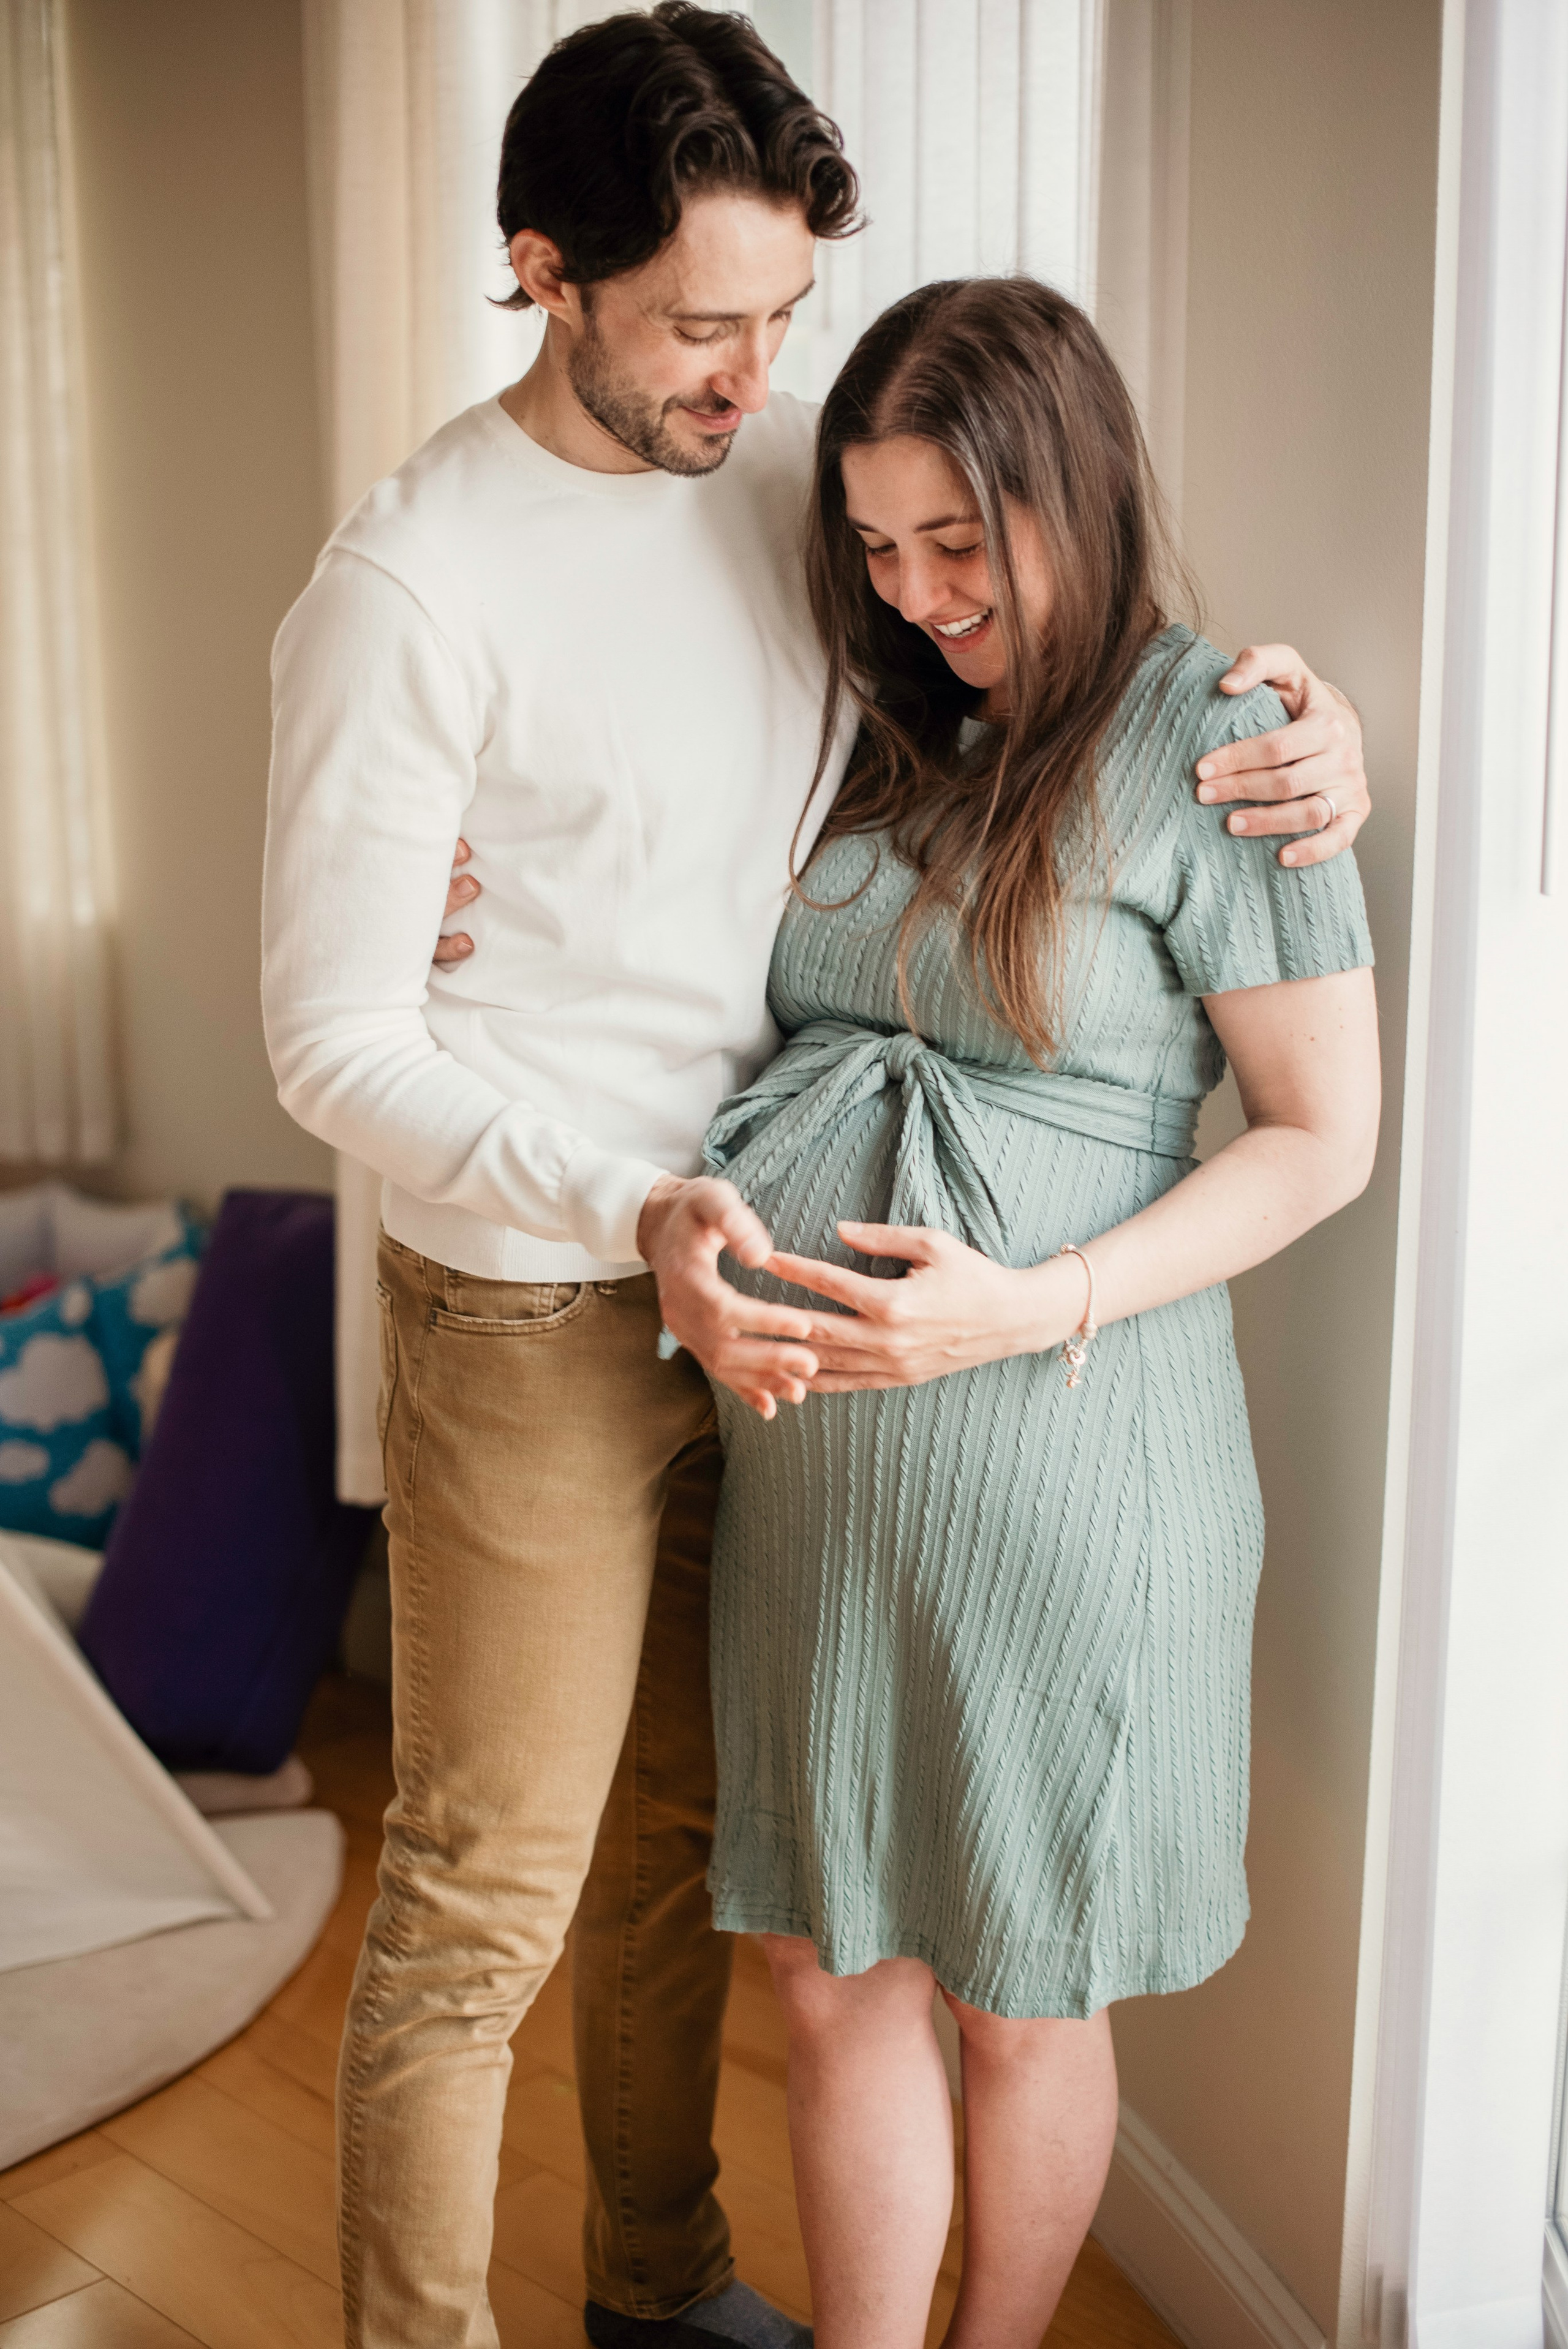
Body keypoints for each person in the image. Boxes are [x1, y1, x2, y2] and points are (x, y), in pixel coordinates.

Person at [261, 9, 1373, 2346]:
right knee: (492, 1890)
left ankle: (660, 2289)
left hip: (797, 1337)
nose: (752, 375)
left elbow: (1069, 655)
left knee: (702, 1867)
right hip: (550, 1296)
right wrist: (619, 1193)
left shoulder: (798, 489)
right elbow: (328, 1026)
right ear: (543, 272)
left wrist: (1314, 739)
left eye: (781, 317)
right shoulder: (410, 581)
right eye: (699, 326)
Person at [695, 276, 1381, 2349]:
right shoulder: (883, 738)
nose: (916, 593)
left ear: (1072, 487)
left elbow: (1322, 1135)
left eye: (961, 544)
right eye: (879, 547)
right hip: (827, 1495)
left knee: (1019, 1979)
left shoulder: (1229, 739)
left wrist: (1035, 1299)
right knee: (831, 1968)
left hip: (1070, 1463)